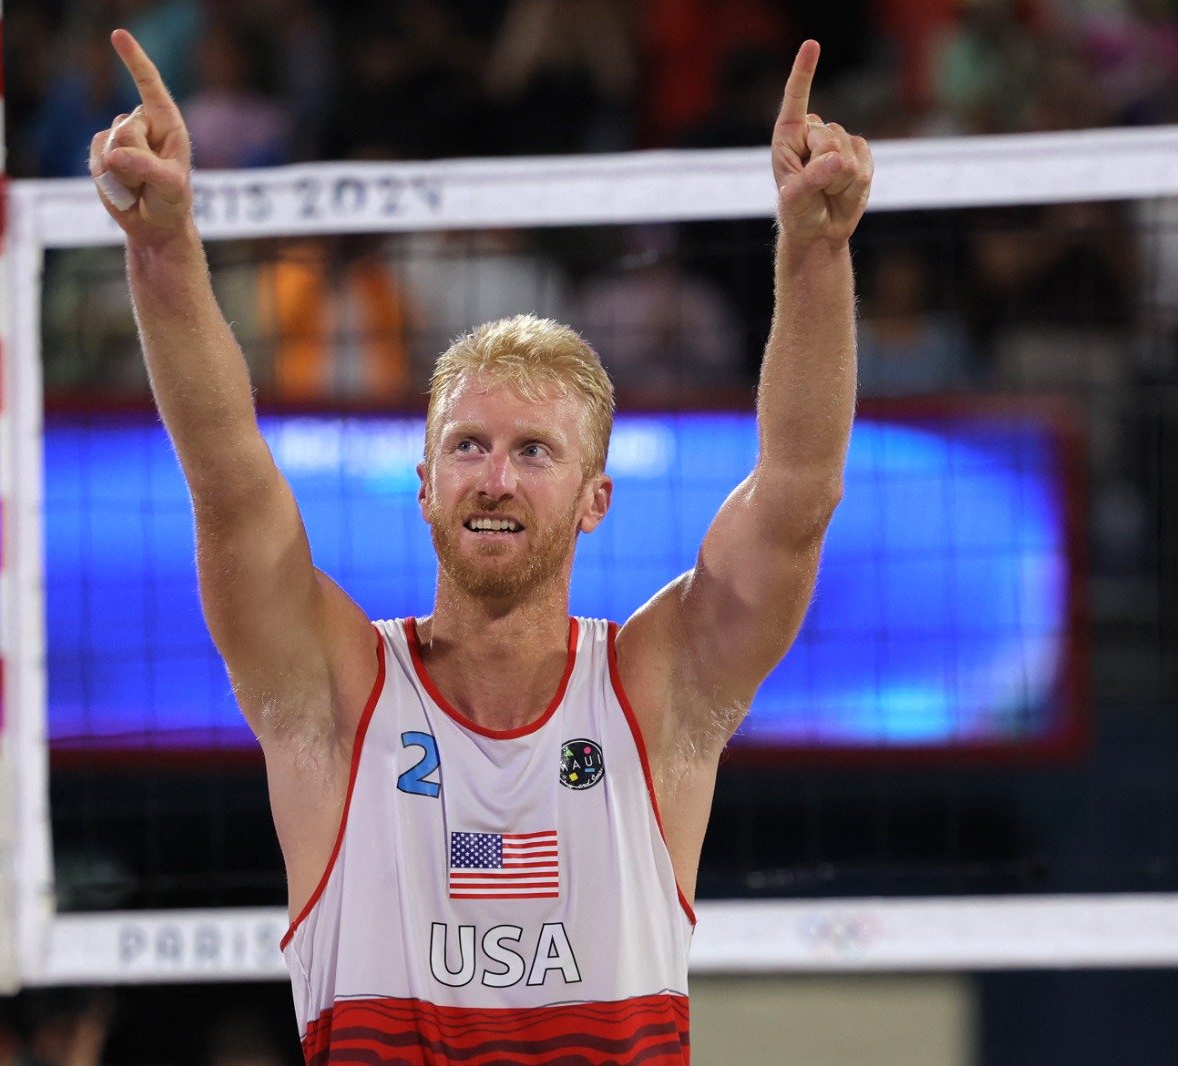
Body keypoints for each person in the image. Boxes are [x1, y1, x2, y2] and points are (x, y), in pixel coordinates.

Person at [90, 29, 871, 1063]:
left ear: (594, 498)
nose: (495, 476)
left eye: (532, 450)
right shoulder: (334, 696)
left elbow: (795, 494)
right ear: (424, 484)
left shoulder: (654, 693)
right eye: (467, 444)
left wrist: (814, 250)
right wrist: (163, 247)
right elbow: (229, 482)